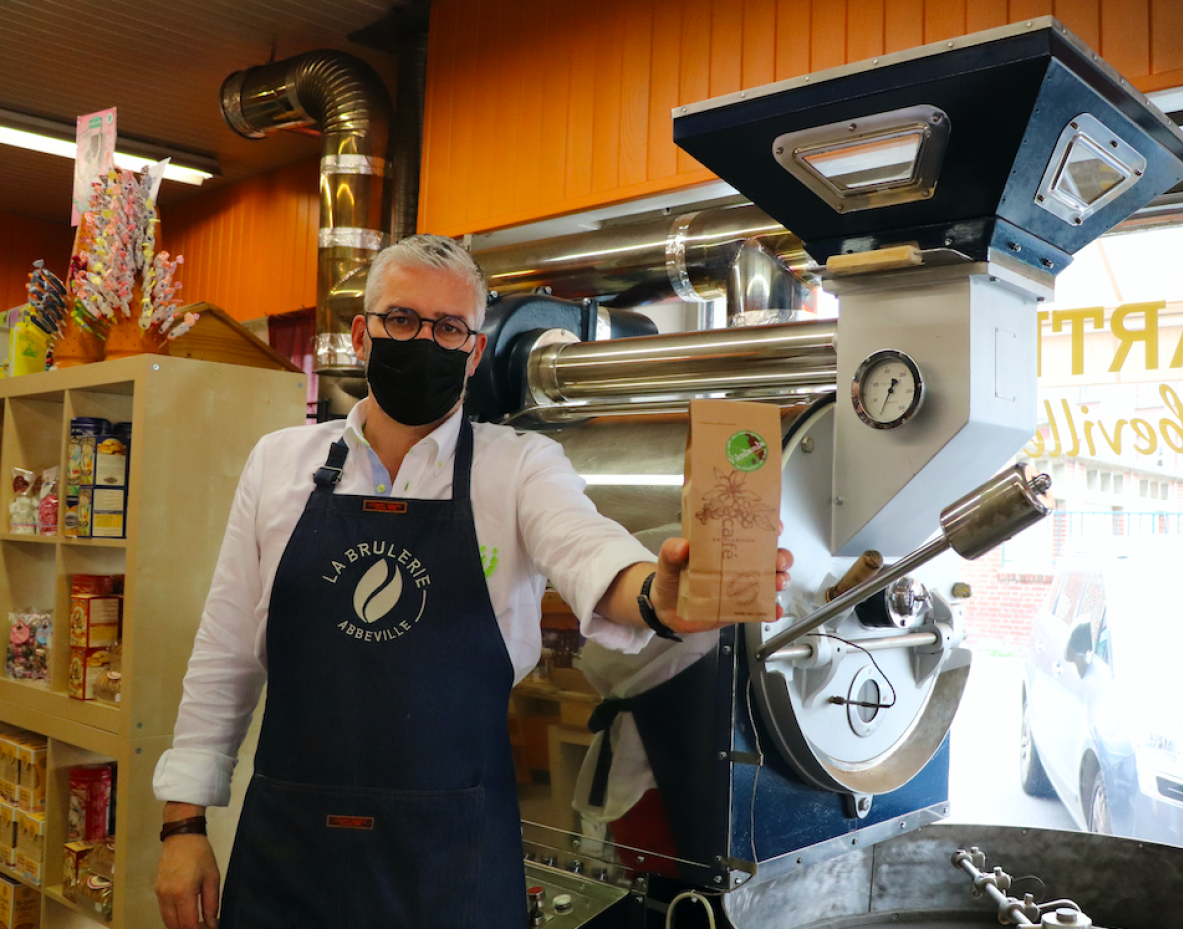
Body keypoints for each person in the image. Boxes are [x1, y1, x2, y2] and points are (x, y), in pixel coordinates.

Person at [152, 234, 792, 929]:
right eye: (402, 319)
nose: (424, 340)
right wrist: (182, 826)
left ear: (474, 350)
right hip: (290, 849)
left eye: (449, 327)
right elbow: (223, 654)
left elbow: (585, 545)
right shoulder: (280, 463)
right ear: (363, 333)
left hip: (453, 860)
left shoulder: (516, 466)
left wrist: (655, 595)